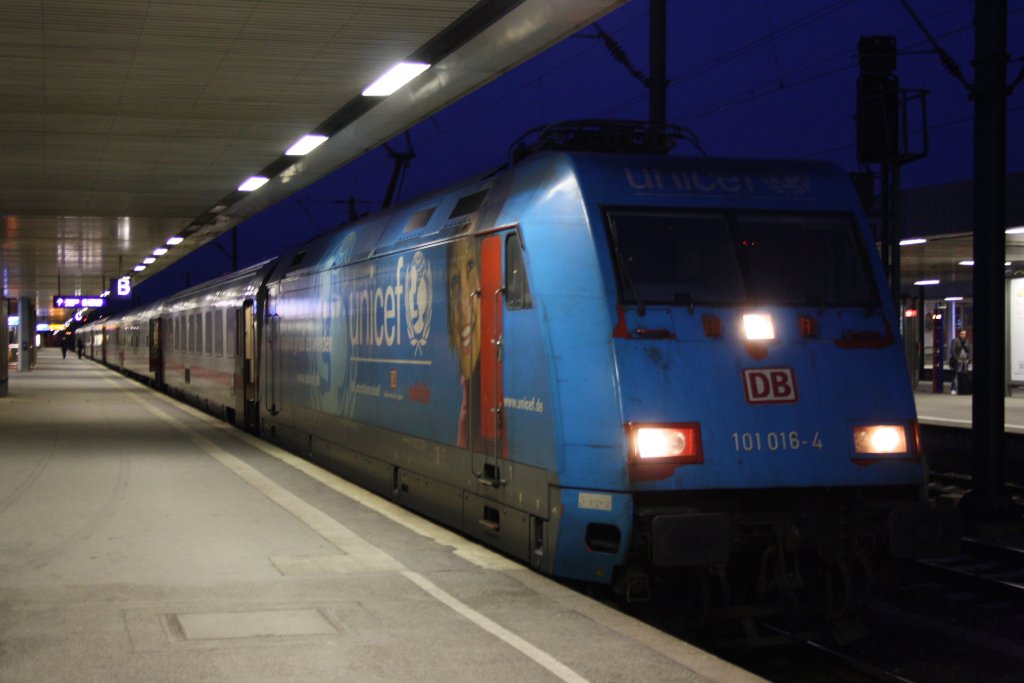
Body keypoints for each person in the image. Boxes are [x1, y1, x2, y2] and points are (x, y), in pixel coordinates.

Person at [949, 329, 971, 395]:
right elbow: (952, 350)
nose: (963, 335)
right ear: (959, 334)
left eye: (964, 334)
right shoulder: (955, 341)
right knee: (956, 375)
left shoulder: (967, 341)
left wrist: (969, 359)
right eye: (962, 334)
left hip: (965, 361)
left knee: (964, 375)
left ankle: (963, 388)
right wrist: (957, 358)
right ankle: (954, 388)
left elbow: (969, 351)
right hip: (958, 360)